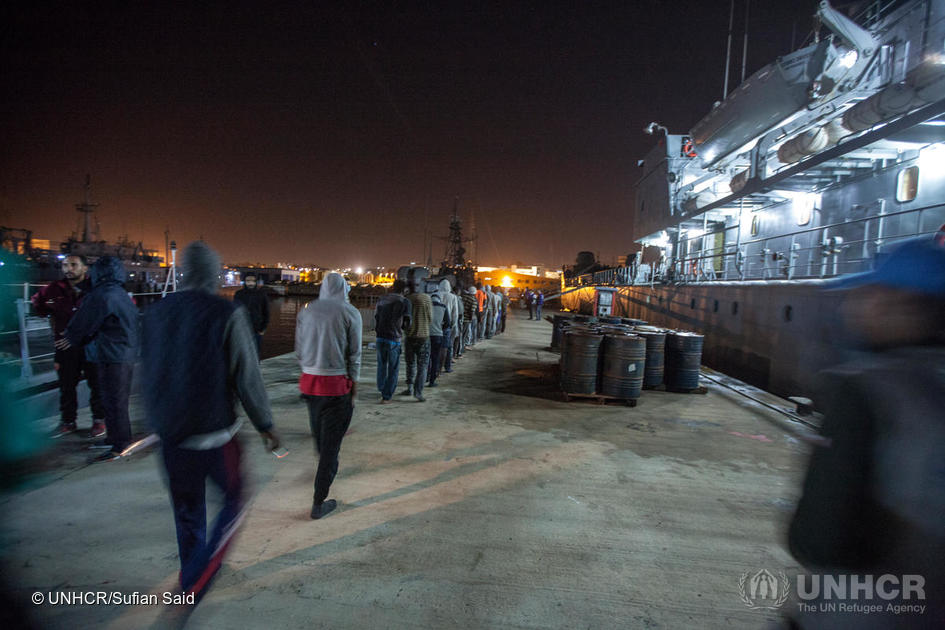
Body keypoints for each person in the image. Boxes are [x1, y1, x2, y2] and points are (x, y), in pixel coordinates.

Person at [787, 237, 945, 628]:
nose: (855, 305)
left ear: (902, 304)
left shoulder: (865, 390)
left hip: (866, 608)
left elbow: (818, 538)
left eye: (871, 293)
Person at [141, 241, 280, 603]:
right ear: (214, 274)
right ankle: (199, 576)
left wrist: (154, 423)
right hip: (214, 434)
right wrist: (265, 423)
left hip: (170, 436)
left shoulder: (155, 312)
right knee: (235, 499)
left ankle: (190, 573)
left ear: (184, 271)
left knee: (187, 510)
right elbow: (247, 375)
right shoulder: (226, 312)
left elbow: (147, 372)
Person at [296, 272, 361, 520]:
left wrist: (309, 369)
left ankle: (325, 469)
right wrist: (353, 382)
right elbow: (354, 353)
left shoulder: (307, 310)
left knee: (321, 439)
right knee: (330, 450)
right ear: (344, 288)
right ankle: (318, 501)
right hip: (336, 385)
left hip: (309, 384)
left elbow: (299, 350)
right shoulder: (349, 312)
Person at [61, 256, 138, 462]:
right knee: (113, 400)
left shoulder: (103, 294)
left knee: (114, 401)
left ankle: (120, 444)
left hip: (113, 355)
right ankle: (114, 438)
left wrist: (71, 337)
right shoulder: (118, 293)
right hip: (121, 353)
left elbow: (85, 319)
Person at [31, 254, 105, 438]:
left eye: (73, 264)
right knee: (66, 385)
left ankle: (99, 420)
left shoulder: (96, 288)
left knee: (97, 383)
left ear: (85, 268)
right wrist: (50, 314)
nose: (68, 269)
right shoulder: (54, 289)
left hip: (92, 345)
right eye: (65, 265)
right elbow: (38, 304)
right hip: (65, 346)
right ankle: (68, 422)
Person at [374, 279, 411, 403]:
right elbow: (407, 323)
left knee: (381, 365)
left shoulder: (382, 299)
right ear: (404, 289)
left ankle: (381, 387)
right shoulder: (404, 301)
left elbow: (376, 317)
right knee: (393, 368)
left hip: (380, 337)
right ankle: (387, 395)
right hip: (394, 339)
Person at [401, 281, 432, 401]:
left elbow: (404, 318)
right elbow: (430, 318)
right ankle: (418, 392)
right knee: (423, 366)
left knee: (410, 364)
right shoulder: (427, 298)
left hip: (410, 336)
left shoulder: (407, 299)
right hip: (423, 336)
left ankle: (409, 388)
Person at [233, 273, 270, 357]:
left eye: (253, 281)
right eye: (248, 281)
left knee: (255, 353)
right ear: (244, 282)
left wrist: (263, 329)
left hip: (257, 329)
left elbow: (266, 312)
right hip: (241, 329)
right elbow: (234, 312)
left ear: (256, 282)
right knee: (241, 353)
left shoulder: (261, 294)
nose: (250, 283)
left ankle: (254, 369)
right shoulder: (239, 294)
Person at [426, 287, 450, 387]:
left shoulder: (426, 306)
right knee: (435, 358)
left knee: (426, 358)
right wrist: (440, 328)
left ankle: (425, 377)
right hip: (438, 335)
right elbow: (447, 323)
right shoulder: (444, 307)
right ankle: (432, 381)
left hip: (426, 335)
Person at [438, 279, 459, 373]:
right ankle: (447, 366)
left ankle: (436, 367)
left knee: (436, 347)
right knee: (448, 346)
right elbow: (455, 313)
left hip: (436, 324)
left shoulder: (435, 295)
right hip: (448, 325)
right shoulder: (453, 297)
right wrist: (453, 324)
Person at [461, 285, 478, 352]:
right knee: (464, 334)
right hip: (467, 319)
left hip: (461, 317)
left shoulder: (463, 297)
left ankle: (461, 347)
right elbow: (472, 311)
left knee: (461, 334)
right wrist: (471, 319)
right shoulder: (473, 300)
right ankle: (462, 349)